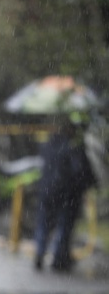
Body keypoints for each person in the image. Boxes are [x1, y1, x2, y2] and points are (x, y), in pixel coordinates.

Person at [33, 112, 97, 272]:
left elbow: (43, 166)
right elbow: (80, 171)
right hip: (66, 193)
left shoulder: (49, 143)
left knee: (44, 223)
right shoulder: (73, 147)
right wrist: (88, 184)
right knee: (64, 225)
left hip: (47, 191)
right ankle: (59, 259)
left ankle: (40, 253)